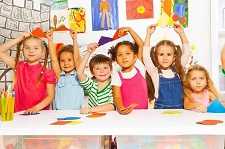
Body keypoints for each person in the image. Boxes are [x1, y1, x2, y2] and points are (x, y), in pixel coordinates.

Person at [0, 33, 56, 113]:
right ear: (22, 50)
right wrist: (20, 38)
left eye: (36, 48)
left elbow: (50, 96)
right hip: (19, 114)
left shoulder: (48, 72)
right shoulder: (19, 66)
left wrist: (35, 109)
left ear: (42, 52)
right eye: (27, 48)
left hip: (40, 114)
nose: (31, 51)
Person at [143, 24, 192, 109]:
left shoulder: (178, 69)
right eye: (161, 54)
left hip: (179, 110)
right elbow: (146, 56)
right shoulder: (154, 72)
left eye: (169, 54)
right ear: (156, 57)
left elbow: (187, 52)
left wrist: (181, 33)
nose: (165, 58)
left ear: (174, 57)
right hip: (160, 111)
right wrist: (148, 34)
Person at [46, 30, 84, 110]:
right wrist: (50, 40)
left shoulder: (79, 75)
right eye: (62, 61)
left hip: (77, 113)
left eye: (69, 60)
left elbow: (77, 58)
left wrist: (74, 39)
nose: (66, 63)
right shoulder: (59, 76)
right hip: (59, 113)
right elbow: (54, 60)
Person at [109, 40, 148, 115]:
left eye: (128, 53)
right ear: (116, 60)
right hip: (126, 115)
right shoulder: (116, 76)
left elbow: (141, 45)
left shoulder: (140, 68)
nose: (124, 57)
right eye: (120, 55)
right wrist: (121, 109)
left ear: (135, 57)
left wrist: (129, 29)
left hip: (144, 114)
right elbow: (117, 96)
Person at [77, 43, 114, 113]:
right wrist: (88, 52)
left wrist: (91, 110)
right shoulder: (91, 85)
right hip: (93, 118)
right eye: (97, 68)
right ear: (92, 72)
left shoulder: (113, 85)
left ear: (111, 70)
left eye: (105, 68)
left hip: (109, 118)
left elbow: (112, 106)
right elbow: (79, 73)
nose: (102, 71)